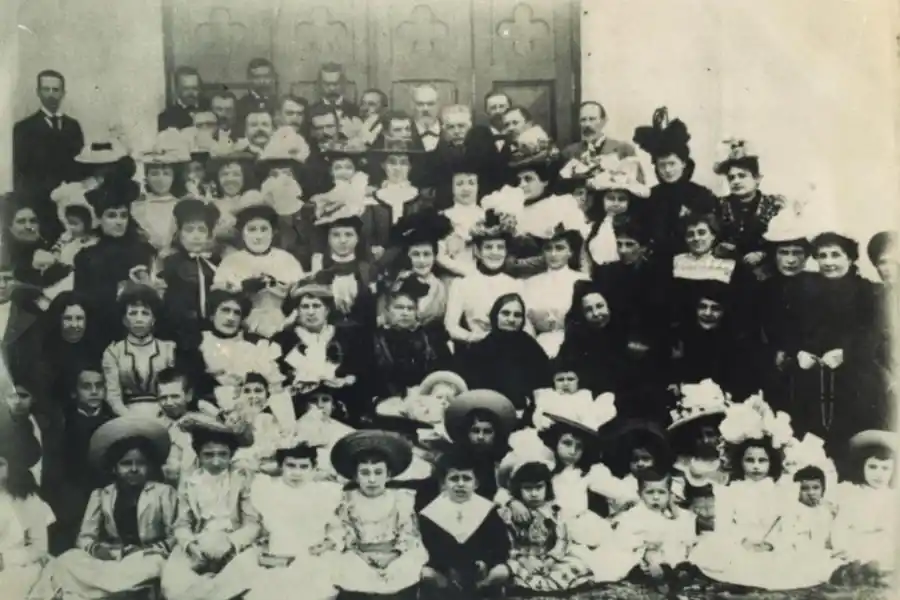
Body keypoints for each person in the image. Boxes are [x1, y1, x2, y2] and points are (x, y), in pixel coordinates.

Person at [690, 396, 838, 590]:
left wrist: (771, 544)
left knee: (791, 560)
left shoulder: (781, 491)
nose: (756, 466)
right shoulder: (732, 491)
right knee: (721, 554)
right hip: (741, 544)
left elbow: (787, 524)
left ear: (772, 463)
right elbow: (725, 526)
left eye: (762, 461)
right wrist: (744, 542)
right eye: (750, 460)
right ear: (740, 462)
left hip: (773, 545)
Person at [31, 417, 178, 600]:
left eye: (140, 463)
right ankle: (106, 589)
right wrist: (97, 550)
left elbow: (174, 536)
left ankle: (96, 591)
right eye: (126, 464)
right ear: (114, 468)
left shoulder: (163, 493)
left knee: (152, 565)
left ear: (148, 466)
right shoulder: (101, 495)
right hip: (110, 558)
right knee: (68, 559)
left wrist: (147, 550)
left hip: (146, 557)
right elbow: (85, 537)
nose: (133, 469)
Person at [786, 228, 883, 462]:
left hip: (854, 377)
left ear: (850, 258)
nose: (828, 262)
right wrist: (797, 351)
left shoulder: (868, 291)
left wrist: (846, 354)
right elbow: (790, 328)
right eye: (822, 256)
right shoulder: (803, 289)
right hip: (810, 377)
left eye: (835, 255)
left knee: (850, 438)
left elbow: (874, 332)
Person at [160, 418, 260, 600]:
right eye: (209, 455)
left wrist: (232, 543)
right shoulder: (190, 483)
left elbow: (252, 523)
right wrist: (190, 545)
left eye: (223, 454)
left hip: (233, 543)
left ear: (231, 455)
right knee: (172, 585)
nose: (216, 461)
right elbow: (182, 523)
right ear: (199, 455)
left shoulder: (241, 480)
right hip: (199, 542)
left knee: (244, 578)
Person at [324, 430, 428, 598]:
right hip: (359, 555)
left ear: (389, 475)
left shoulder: (401, 499)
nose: (372, 480)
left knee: (405, 573)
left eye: (378, 473)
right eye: (365, 473)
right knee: (350, 573)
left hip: (395, 554)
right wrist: (363, 556)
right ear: (355, 477)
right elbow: (343, 531)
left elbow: (409, 533)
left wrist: (394, 555)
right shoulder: (347, 501)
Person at [244, 442, 342, 600]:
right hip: (278, 555)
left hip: (313, 555)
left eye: (304, 467)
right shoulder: (268, 489)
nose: (297, 473)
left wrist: (329, 542)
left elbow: (338, 527)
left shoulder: (325, 493)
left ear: (313, 468)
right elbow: (251, 465)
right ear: (280, 466)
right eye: (291, 465)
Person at [417, 449, 511, 599]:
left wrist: (486, 562)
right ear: (444, 483)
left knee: (502, 571)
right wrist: (446, 568)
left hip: (480, 573)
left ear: (476, 483)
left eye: (466, 479)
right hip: (444, 574)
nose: (460, 484)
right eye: (454, 479)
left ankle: (481, 589)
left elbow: (501, 544)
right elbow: (427, 547)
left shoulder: (487, 510)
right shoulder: (431, 513)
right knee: (426, 573)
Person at [73, 179, 157, 342]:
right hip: (99, 328)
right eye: (111, 216)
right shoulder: (86, 256)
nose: (119, 222)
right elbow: (81, 300)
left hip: (139, 330)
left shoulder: (143, 251)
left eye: (123, 216)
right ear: (100, 218)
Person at [631, 107, 718, 260]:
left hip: (692, 263)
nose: (668, 170)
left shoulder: (701, 194)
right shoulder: (649, 196)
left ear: (683, 164)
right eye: (662, 165)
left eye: (672, 164)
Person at [498, 459, 593, 593]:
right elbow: (508, 542)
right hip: (522, 558)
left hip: (548, 557)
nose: (534, 494)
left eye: (539, 487)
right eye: (528, 488)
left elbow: (563, 539)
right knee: (510, 569)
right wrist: (525, 561)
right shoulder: (511, 513)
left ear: (547, 487)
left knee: (576, 563)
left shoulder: (554, 510)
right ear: (519, 489)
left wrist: (551, 560)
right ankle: (524, 585)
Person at [214, 203, 305, 338]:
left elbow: (301, 297)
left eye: (264, 229)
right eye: (252, 229)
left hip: (283, 325)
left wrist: (287, 321)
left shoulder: (287, 260)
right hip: (242, 328)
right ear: (243, 233)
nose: (258, 236)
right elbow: (219, 299)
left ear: (273, 232)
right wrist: (243, 289)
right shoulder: (231, 262)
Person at [443, 210, 524, 348]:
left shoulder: (516, 284)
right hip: (477, 348)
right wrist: (474, 338)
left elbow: (524, 324)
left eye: (500, 247)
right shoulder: (462, 284)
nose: (494, 252)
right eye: (488, 247)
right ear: (478, 251)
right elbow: (451, 326)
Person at [458, 294, 550, 415]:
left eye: (517, 315)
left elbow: (544, 383)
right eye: (505, 313)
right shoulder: (479, 349)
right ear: (495, 316)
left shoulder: (530, 346)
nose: (511, 319)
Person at [0, 408, 54, 600]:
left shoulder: (27, 499)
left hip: (19, 569)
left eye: (0, 464)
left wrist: (5, 560)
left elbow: (40, 548)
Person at [102, 284, 177, 417]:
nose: (139, 319)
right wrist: (131, 419)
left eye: (145, 313)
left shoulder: (168, 349)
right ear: (124, 319)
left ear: (153, 319)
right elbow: (113, 396)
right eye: (133, 313)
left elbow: (174, 389)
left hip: (165, 413)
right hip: (126, 415)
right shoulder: (114, 352)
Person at [614, 470, 696, 593]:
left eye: (662, 492)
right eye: (650, 492)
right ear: (640, 494)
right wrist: (645, 550)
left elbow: (688, 541)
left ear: (669, 494)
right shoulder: (631, 517)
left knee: (686, 565)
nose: (656, 497)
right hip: (645, 560)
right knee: (639, 567)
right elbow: (624, 543)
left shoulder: (680, 515)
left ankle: (676, 577)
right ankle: (659, 580)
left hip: (673, 559)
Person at [830, 430, 896, 581]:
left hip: (884, 544)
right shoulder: (852, 493)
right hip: (857, 544)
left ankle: (875, 571)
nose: (879, 474)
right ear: (861, 467)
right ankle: (857, 570)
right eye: (872, 467)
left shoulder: (892, 496)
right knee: (849, 559)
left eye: (885, 468)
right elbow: (840, 525)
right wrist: (841, 547)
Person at [372, 276, 451, 401]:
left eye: (410, 308)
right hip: (385, 400)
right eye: (399, 307)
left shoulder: (430, 339)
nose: (405, 313)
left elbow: (443, 374)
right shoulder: (375, 339)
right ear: (387, 310)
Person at [712, 139, 787, 270]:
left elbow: (785, 242)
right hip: (726, 270)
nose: (736, 181)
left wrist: (763, 254)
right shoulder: (718, 205)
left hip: (766, 272)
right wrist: (718, 248)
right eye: (731, 177)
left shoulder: (775, 205)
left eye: (742, 176)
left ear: (757, 179)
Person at [13, 69, 84, 205]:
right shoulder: (23, 128)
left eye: (56, 90)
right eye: (46, 89)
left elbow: (79, 166)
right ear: (38, 92)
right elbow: (20, 173)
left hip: (70, 202)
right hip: (38, 202)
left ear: (63, 93)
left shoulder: (73, 126)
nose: (51, 95)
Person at [160, 199, 222, 346]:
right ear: (179, 233)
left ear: (209, 234)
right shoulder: (170, 262)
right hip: (178, 331)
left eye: (201, 230)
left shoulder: (216, 262)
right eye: (189, 229)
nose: (196, 236)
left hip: (210, 330)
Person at [523, 221, 587, 358]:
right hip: (539, 346)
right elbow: (526, 321)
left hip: (574, 346)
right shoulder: (531, 283)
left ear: (570, 252)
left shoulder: (582, 281)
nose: (553, 254)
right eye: (548, 249)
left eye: (559, 248)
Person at [133, 128, 192, 253]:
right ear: (147, 177)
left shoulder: (183, 203)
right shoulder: (138, 206)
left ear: (174, 176)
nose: (160, 179)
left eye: (166, 174)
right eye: (154, 174)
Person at [562, 101, 639, 172]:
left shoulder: (624, 149)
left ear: (603, 121)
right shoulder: (569, 152)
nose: (587, 124)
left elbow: (636, 183)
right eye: (583, 120)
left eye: (592, 119)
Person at [235, 58, 278, 137]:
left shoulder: (279, 103)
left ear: (272, 78)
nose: (262, 81)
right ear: (249, 79)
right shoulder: (241, 105)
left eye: (266, 76)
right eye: (257, 77)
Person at [158, 66, 206, 131]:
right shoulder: (167, 117)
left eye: (195, 88)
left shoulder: (208, 110)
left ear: (200, 89)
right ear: (177, 90)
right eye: (186, 89)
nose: (191, 93)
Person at [411, 85, 442, 152]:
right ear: (412, 105)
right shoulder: (405, 133)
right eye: (420, 104)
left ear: (438, 104)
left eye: (430, 104)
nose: (425, 109)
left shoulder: (449, 132)